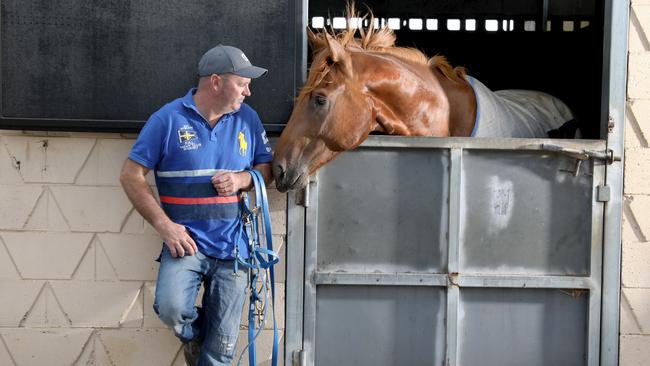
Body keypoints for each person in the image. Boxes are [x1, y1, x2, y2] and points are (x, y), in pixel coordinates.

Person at [119, 44, 273, 366]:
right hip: (185, 244)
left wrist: (242, 180)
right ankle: (197, 336)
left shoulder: (249, 119)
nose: (249, 90)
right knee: (172, 309)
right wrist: (165, 226)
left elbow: (265, 169)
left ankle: (211, 345)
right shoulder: (168, 119)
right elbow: (131, 175)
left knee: (221, 352)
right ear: (216, 82)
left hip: (235, 247)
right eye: (242, 82)